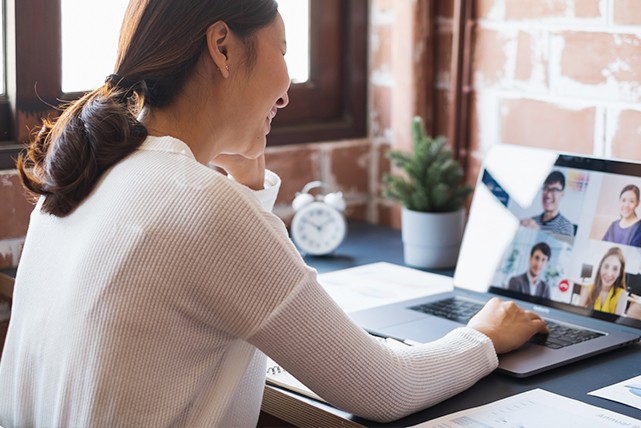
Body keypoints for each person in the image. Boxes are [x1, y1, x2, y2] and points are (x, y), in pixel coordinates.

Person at [0, 1, 547, 425]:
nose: (286, 87)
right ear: (223, 47)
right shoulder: (198, 207)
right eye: (282, 50)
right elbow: (383, 388)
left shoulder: (82, 174)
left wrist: (248, 177)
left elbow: (206, 276)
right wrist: (483, 337)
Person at [520, 170, 575, 237]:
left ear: (562, 194)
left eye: (554, 190)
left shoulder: (566, 226)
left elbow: (557, 247)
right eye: (546, 188)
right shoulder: (532, 221)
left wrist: (536, 232)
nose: (548, 195)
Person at [579, 247, 628, 315]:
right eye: (606, 266)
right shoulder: (587, 290)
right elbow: (577, 316)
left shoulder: (622, 295)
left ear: (620, 272)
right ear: (600, 268)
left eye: (615, 269)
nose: (609, 273)